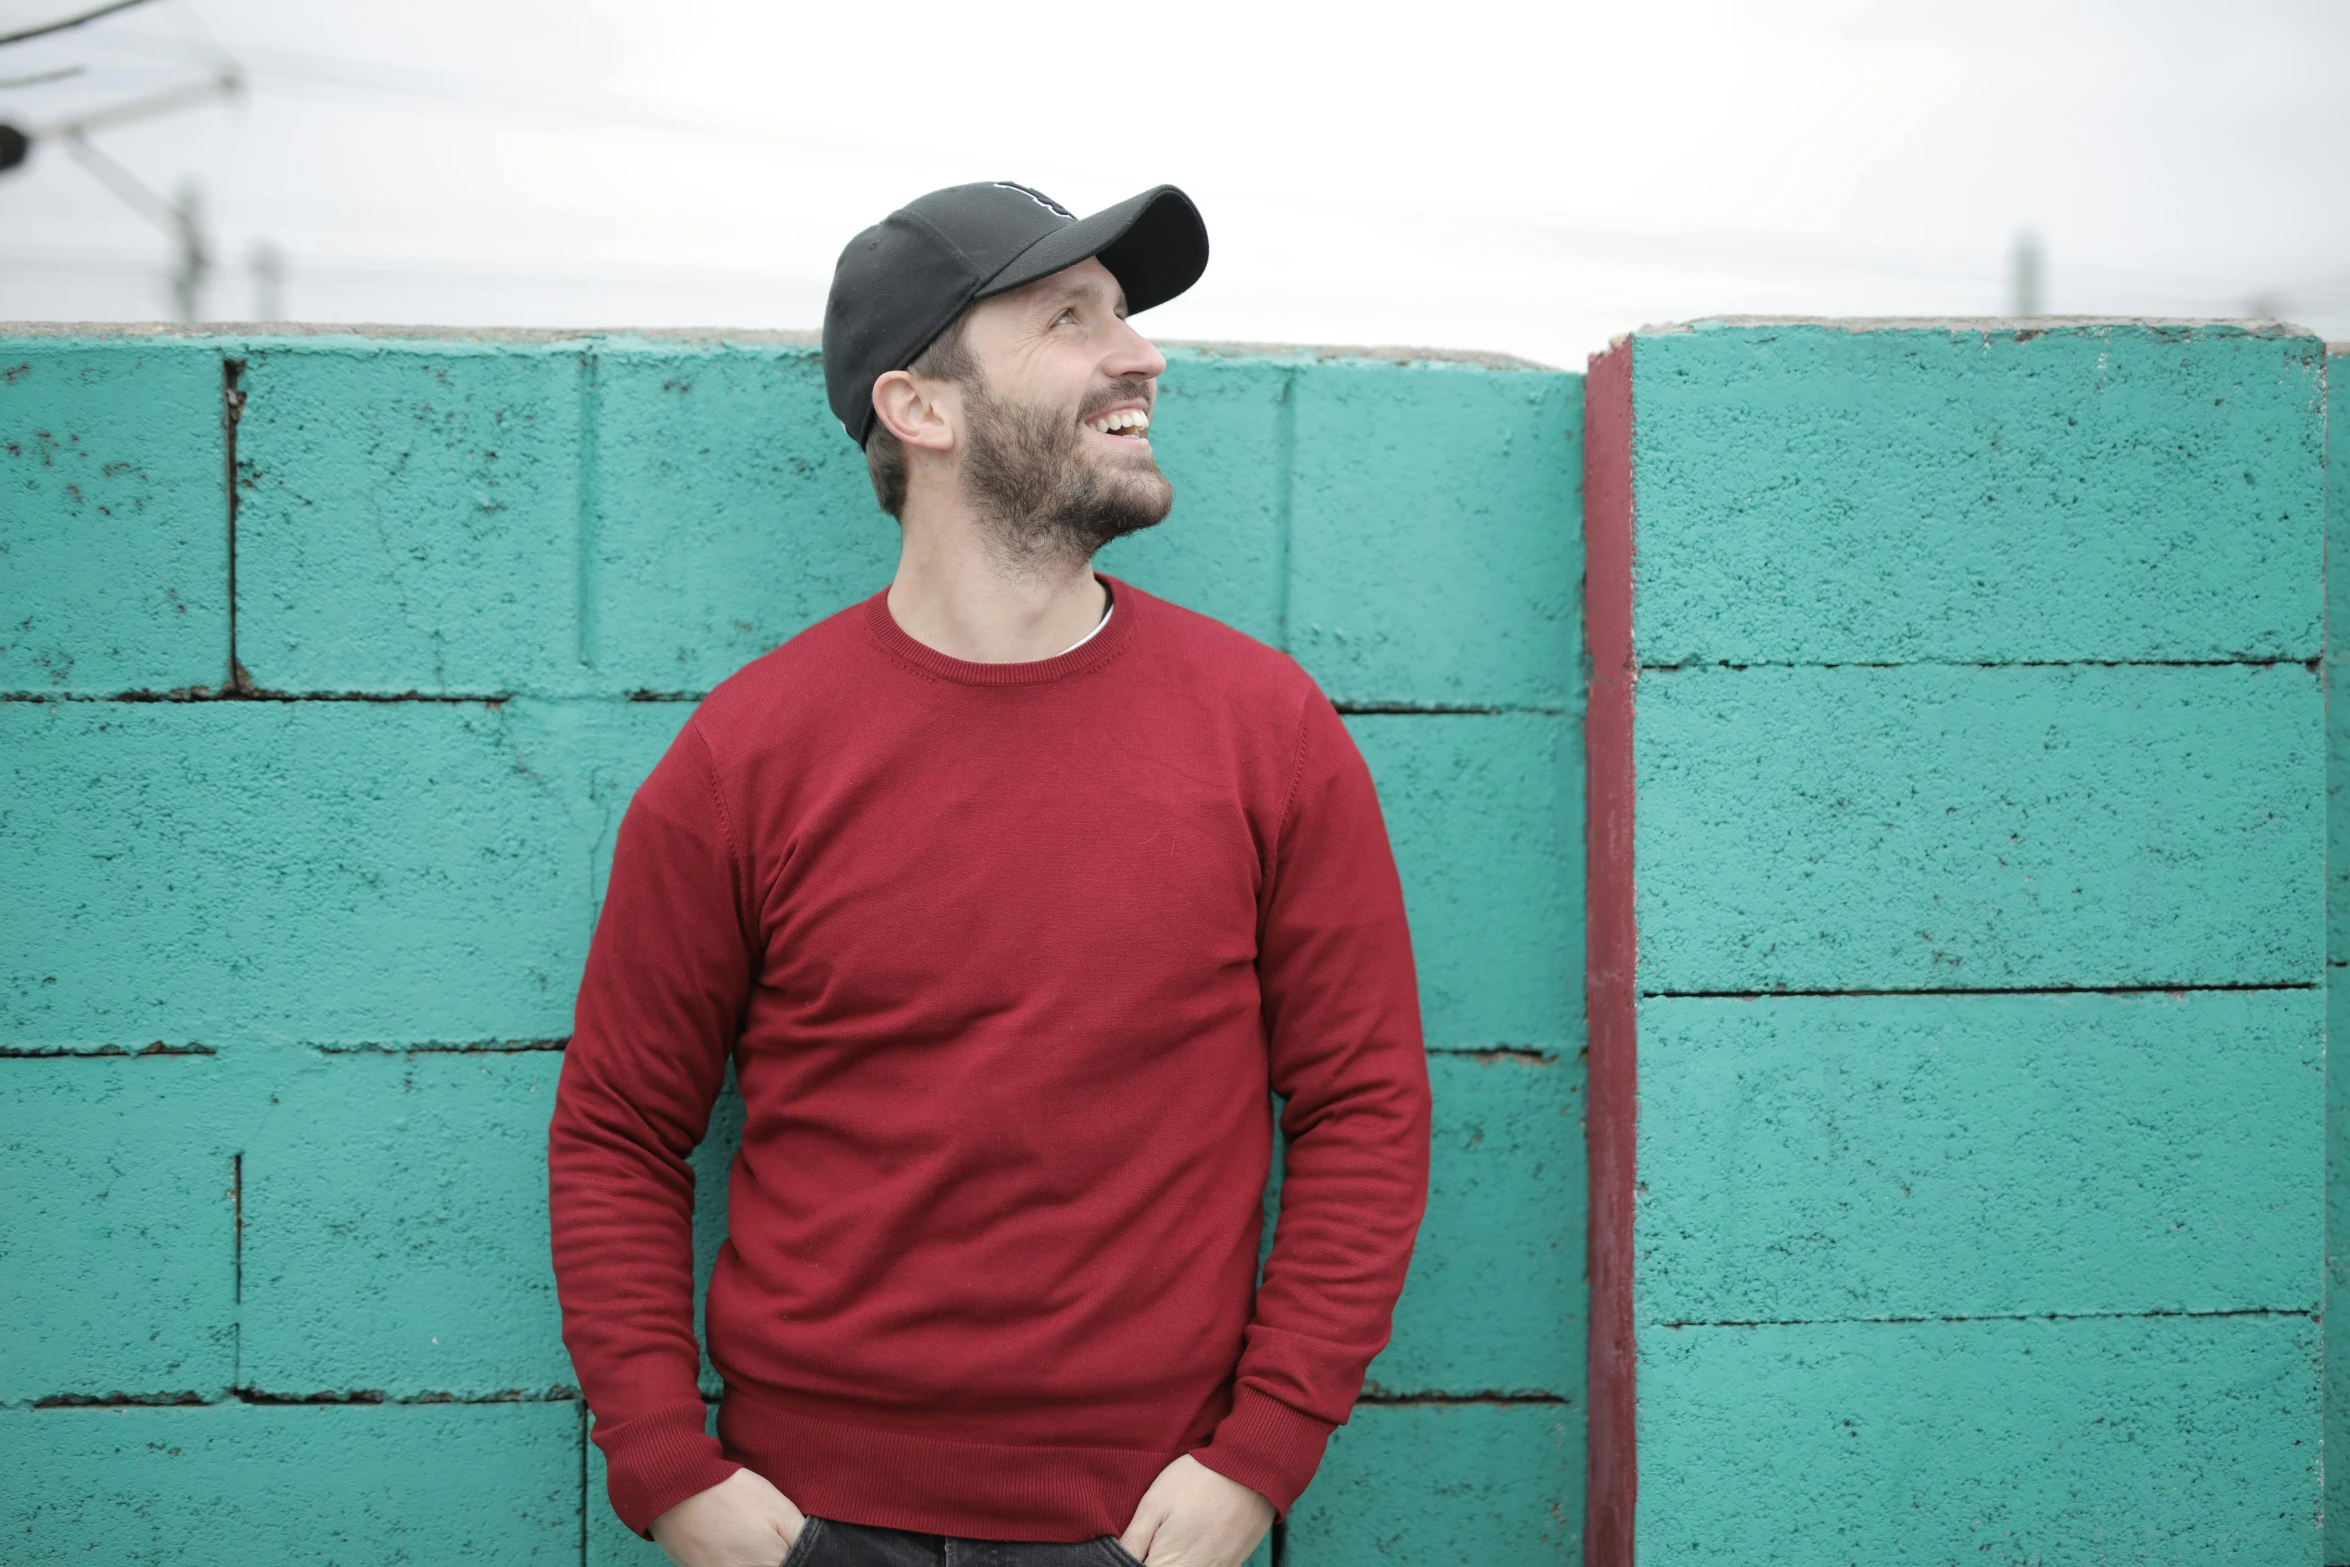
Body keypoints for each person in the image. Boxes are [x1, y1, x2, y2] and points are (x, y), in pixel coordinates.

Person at [549, 181, 1432, 1567]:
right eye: (1068, 319)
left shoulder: (1265, 731)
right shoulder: (749, 756)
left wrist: (1259, 1457)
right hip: (806, 1517)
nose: (1139, 355)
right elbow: (616, 1128)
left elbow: (1363, 1106)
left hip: (1144, 1518)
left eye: (1127, 318)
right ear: (922, 408)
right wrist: (669, 1471)